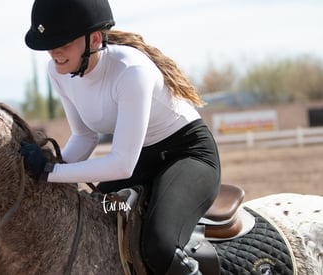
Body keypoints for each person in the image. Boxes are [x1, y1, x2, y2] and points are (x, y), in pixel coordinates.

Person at [21, 0, 221, 274]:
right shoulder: (59, 72)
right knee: (89, 223)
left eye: (63, 42)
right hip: (142, 158)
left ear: (93, 39)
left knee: (160, 245)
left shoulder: (131, 70)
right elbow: (84, 137)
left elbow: (122, 164)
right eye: (49, 44)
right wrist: (50, 165)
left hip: (187, 154)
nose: (54, 52)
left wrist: (51, 170)